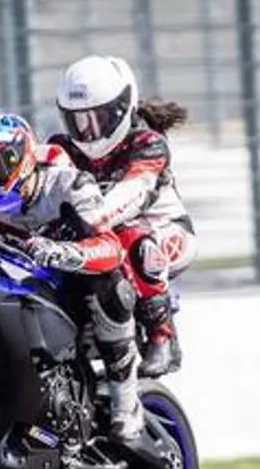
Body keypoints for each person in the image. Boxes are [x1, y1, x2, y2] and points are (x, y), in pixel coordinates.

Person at [0, 110, 145, 443]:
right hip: (16, 290)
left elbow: (110, 246)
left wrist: (67, 253)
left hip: (70, 290)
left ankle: (126, 405)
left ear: (21, 156)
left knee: (112, 287)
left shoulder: (68, 183)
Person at [48, 54, 197, 378]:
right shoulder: (61, 147)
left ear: (122, 109)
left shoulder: (146, 143)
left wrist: (93, 217)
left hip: (166, 234)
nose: (89, 132)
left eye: (98, 118)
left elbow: (134, 192)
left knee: (131, 236)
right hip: (96, 233)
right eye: (79, 121)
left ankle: (162, 334)